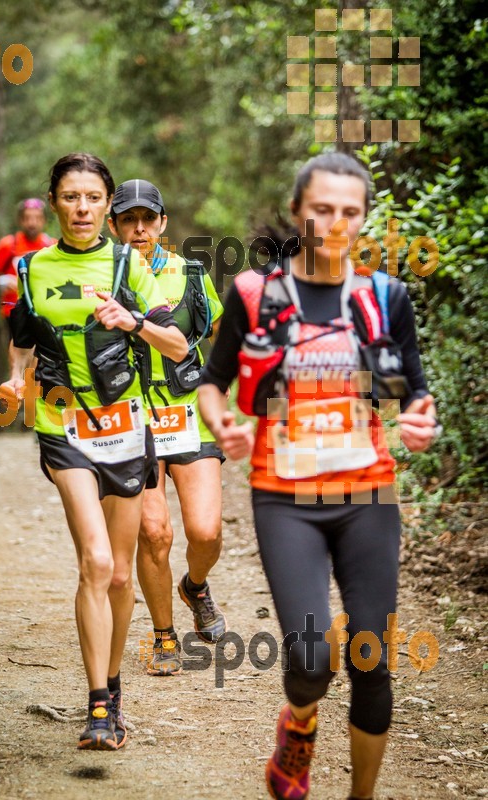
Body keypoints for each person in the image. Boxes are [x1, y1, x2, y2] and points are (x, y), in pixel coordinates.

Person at [198, 152, 439, 800]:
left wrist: (420, 421)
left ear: (364, 218)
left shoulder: (384, 296)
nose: (334, 223)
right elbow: (211, 384)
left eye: (349, 212)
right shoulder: (254, 295)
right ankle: (298, 723)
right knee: (309, 660)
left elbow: (416, 392)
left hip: (366, 495)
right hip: (286, 498)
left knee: (371, 657)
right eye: (321, 210)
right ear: (299, 211)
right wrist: (222, 425)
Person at [0, 154, 188, 750]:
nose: (82, 208)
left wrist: (132, 321)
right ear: (53, 201)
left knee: (122, 574)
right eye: (70, 196)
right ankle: (98, 708)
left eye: (93, 198)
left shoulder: (131, 264)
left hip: (129, 429)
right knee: (98, 563)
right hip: (65, 427)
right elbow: (23, 336)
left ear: (107, 207)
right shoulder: (32, 268)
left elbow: (178, 345)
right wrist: (13, 377)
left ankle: (114, 688)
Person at [108, 179, 226, 676]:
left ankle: (194, 586)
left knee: (206, 532)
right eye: (127, 220)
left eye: (147, 219)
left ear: (162, 223)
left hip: (187, 413)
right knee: (154, 531)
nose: (138, 229)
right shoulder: (100, 275)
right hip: (133, 417)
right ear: (113, 226)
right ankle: (163, 636)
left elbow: (208, 333)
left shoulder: (191, 273)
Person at [0, 199, 56, 393]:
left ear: (44, 221)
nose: (32, 223)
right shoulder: (9, 245)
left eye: (37, 218)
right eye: (27, 218)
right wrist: (3, 281)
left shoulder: (51, 245)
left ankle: (33, 394)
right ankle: (16, 386)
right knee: (20, 350)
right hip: (13, 310)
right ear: (20, 220)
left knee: (40, 357)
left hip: (44, 310)